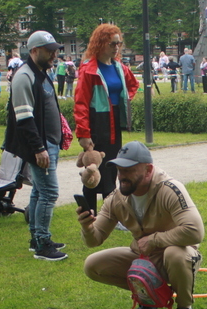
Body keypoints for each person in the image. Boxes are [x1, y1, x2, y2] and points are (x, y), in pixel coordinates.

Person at [76, 141, 205, 309]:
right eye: (119, 170)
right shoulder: (117, 198)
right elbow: (95, 240)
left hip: (179, 257)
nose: (122, 176)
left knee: (174, 254)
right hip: (144, 257)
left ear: (148, 170)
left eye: (128, 170)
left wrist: (154, 239)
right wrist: (87, 227)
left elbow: (195, 231)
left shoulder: (170, 189)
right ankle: (149, 296)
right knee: (92, 265)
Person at [4, 30, 68, 261]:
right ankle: (42, 244)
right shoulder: (24, 76)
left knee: (40, 191)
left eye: (55, 50)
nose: (54, 54)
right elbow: (24, 118)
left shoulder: (40, 72)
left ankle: (36, 239)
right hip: (40, 145)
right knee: (50, 192)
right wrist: (38, 148)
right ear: (34, 51)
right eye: (49, 50)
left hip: (49, 142)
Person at [74, 23, 140, 215]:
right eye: (112, 44)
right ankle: (89, 214)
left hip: (114, 122)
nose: (116, 48)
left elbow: (133, 85)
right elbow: (80, 104)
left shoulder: (120, 67)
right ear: (101, 43)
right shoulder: (89, 69)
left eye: (119, 44)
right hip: (97, 122)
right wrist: (84, 133)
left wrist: (122, 100)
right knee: (93, 169)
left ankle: (111, 215)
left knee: (112, 167)